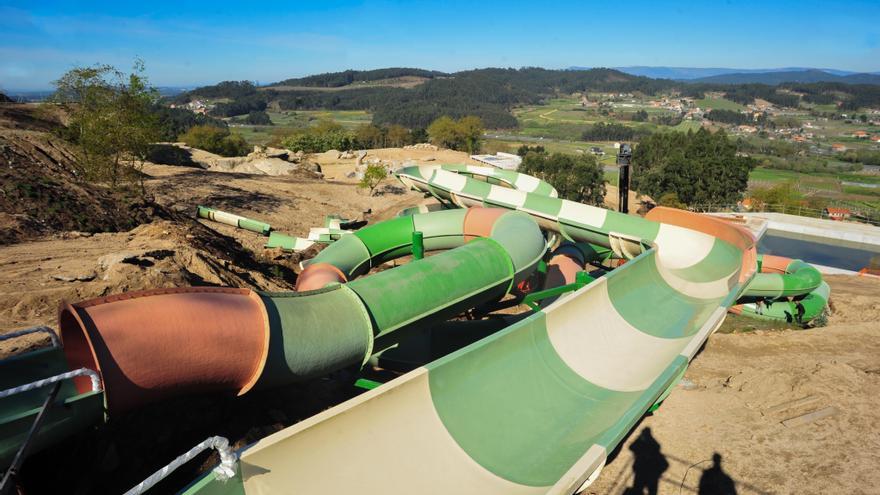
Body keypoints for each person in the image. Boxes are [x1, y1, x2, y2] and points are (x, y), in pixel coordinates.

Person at [625, 428, 668, 495]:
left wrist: (638, 439)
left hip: (643, 472)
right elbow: (631, 447)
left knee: (640, 490)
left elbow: (631, 447)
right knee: (648, 491)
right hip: (648, 473)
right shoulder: (655, 446)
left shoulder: (647, 445)